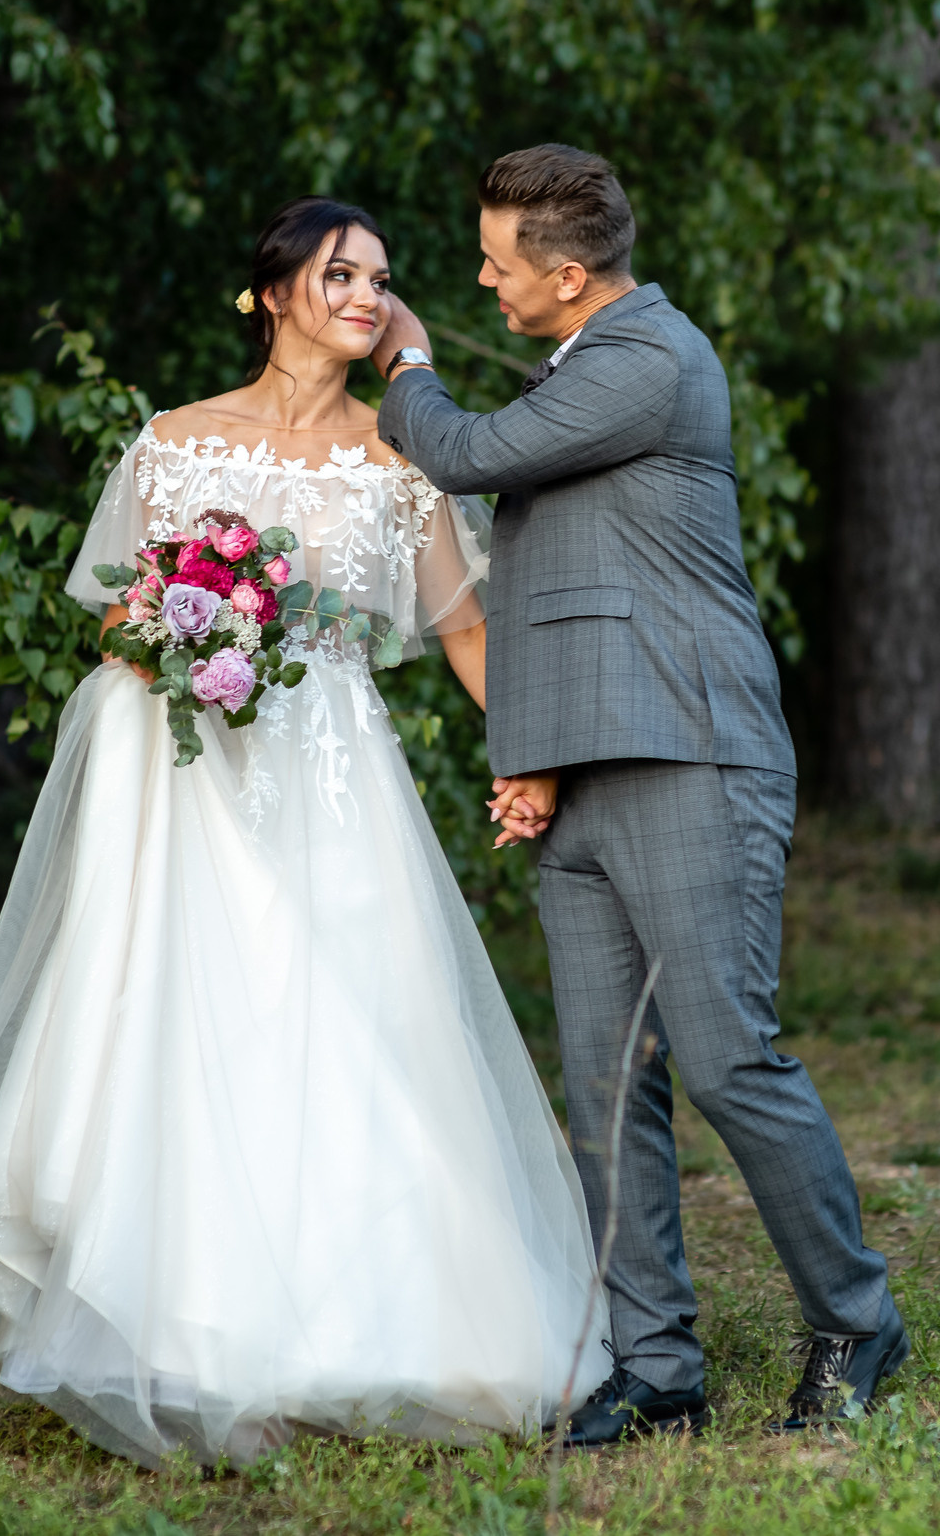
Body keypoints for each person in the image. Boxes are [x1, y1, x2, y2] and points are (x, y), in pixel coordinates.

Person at [0, 197, 609, 1468]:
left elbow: (462, 633)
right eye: (341, 272)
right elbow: (116, 614)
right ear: (274, 290)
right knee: (182, 1025)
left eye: (382, 278)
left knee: (333, 1021)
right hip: (177, 782)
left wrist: (539, 751)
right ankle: (189, 1330)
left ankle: (354, 1325)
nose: (365, 293)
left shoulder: (399, 461)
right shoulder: (173, 443)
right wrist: (193, 627)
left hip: (329, 776)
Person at [373, 144, 908, 1444]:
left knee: (727, 1055)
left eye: (500, 265)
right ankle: (657, 1365)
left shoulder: (644, 361)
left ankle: (855, 1321)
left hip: (691, 753)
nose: (486, 281)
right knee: (606, 1083)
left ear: (566, 276)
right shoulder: (586, 365)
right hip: (585, 770)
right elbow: (559, 593)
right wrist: (530, 758)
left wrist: (404, 362)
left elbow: (465, 450)